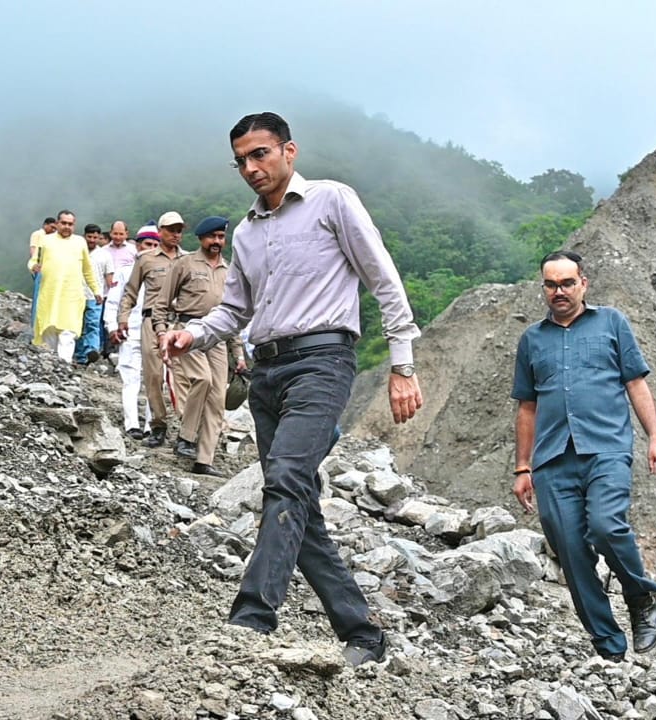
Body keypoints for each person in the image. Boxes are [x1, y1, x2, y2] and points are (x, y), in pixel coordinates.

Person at [162, 112, 423, 667]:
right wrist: (193, 334)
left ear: (289, 151)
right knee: (297, 499)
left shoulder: (331, 201)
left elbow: (383, 278)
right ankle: (363, 633)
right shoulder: (246, 232)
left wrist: (402, 365)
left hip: (323, 362)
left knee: (283, 479)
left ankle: (250, 618)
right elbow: (235, 310)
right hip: (266, 372)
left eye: (260, 154)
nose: (251, 168)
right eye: (241, 161)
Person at [510, 250, 656, 662]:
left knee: (605, 525)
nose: (559, 291)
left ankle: (639, 595)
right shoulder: (532, 340)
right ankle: (609, 648)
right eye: (551, 285)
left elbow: (636, 383)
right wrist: (522, 467)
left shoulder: (612, 323)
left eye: (567, 283)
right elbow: (527, 407)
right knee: (571, 552)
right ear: (543, 288)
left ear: (583, 283)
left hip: (606, 448)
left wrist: (655, 439)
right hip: (552, 460)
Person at [151, 216, 247, 477]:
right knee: (202, 379)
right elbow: (162, 303)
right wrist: (162, 332)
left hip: (217, 339)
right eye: (212, 236)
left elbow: (233, 316)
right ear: (201, 238)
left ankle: (204, 460)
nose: (217, 241)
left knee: (217, 399)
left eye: (221, 237)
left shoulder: (229, 271)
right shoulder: (185, 264)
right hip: (187, 333)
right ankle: (186, 436)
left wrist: (238, 354)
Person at [118, 212, 186, 448]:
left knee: (183, 375)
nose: (175, 235)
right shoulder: (146, 259)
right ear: (160, 231)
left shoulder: (188, 260)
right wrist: (123, 318)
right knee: (154, 375)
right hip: (151, 322)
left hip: (180, 322)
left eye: (179, 230)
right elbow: (131, 291)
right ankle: (158, 424)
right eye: (171, 230)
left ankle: (188, 430)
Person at [28, 210, 103, 363]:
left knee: (68, 332)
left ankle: (65, 364)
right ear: (57, 224)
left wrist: (96, 291)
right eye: (63, 223)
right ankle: (52, 365)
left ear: (74, 226)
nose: (67, 227)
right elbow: (34, 260)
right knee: (49, 330)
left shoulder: (80, 242)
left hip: (72, 296)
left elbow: (87, 270)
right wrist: (33, 266)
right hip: (50, 294)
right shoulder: (46, 241)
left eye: (70, 224)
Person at [107, 232, 160, 439]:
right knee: (131, 379)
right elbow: (113, 302)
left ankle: (151, 425)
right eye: (148, 244)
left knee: (154, 380)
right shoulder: (124, 272)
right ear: (137, 246)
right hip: (130, 332)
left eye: (155, 244)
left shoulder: (164, 273)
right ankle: (132, 424)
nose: (151, 248)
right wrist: (112, 327)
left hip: (155, 333)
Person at [73, 224, 115, 365]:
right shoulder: (77, 252)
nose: (92, 240)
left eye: (95, 237)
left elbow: (109, 276)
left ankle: (92, 350)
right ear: (84, 236)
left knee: (93, 324)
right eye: (89, 236)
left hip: (95, 296)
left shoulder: (105, 255)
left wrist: (110, 295)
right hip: (76, 294)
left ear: (99, 238)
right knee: (78, 326)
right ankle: (80, 356)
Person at [28, 217, 57, 328]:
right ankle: (35, 323)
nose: (53, 230)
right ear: (45, 225)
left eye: (55, 228)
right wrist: (35, 264)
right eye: (52, 227)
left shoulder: (51, 238)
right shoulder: (38, 234)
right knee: (39, 294)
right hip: (40, 268)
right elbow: (33, 250)